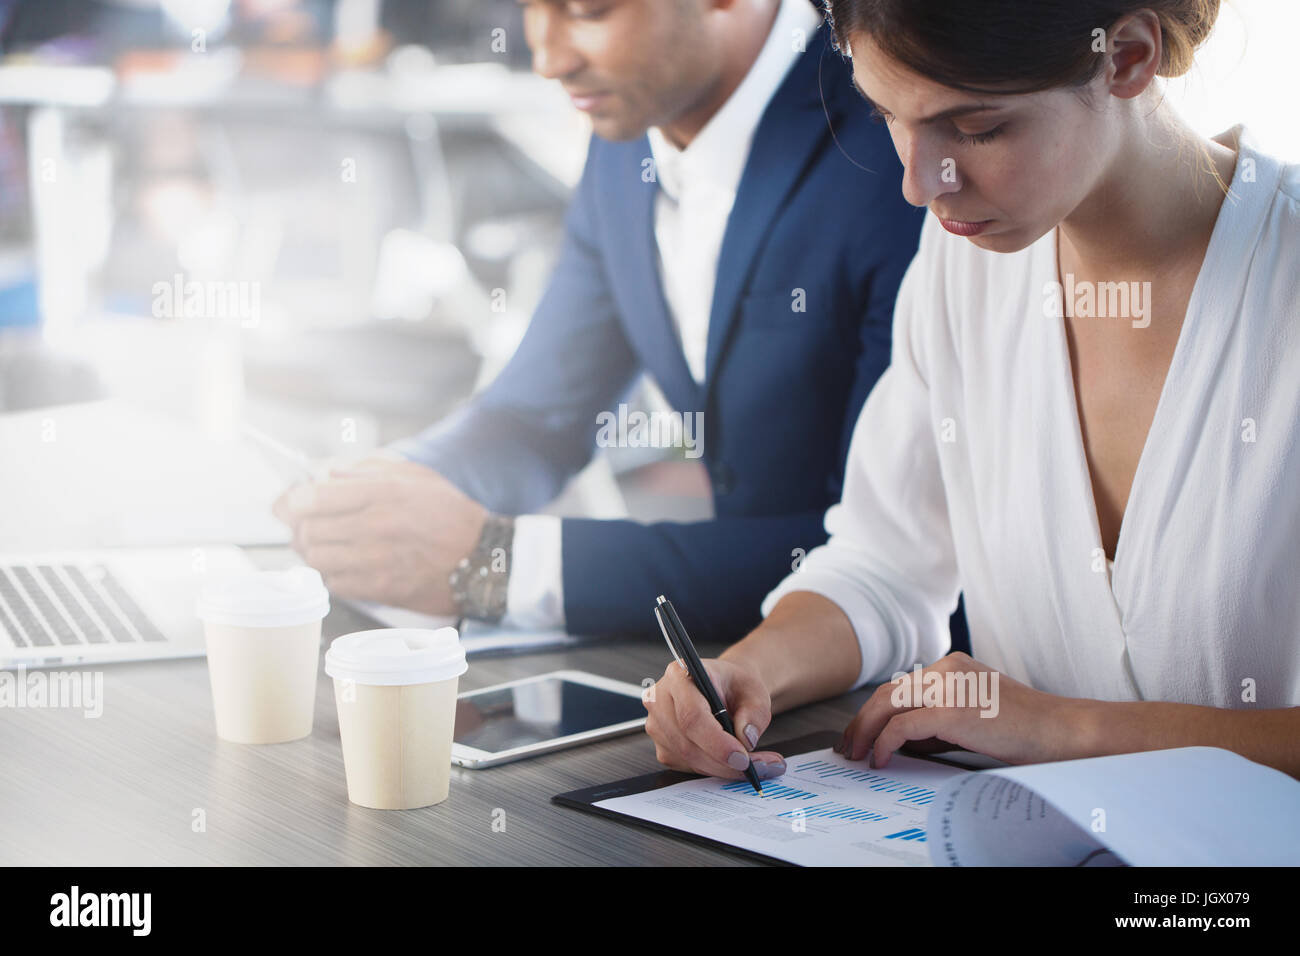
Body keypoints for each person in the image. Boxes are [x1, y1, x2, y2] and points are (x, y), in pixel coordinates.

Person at [644, 0, 1300, 782]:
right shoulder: (965, 264)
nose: (920, 185)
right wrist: (752, 669)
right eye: (890, 115)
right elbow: (886, 564)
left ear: (1125, 56)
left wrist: (1065, 727)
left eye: (977, 128)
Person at [274, 0, 971, 650]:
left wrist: (502, 565)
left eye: (587, 10)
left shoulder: (901, 141)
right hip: (742, 675)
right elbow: (537, 419)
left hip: (913, 687)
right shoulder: (632, 126)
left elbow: (882, 551)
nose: (547, 58)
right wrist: (383, 494)